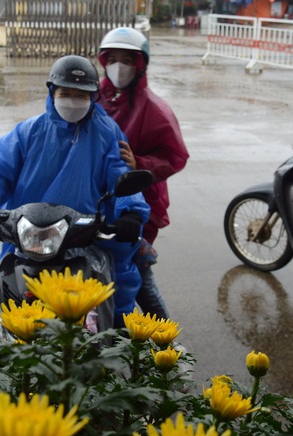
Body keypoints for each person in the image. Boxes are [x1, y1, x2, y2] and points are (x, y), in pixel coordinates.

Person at [0, 54, 150, 328]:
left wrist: (130, 212)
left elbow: (120, 174)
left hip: (87, 236)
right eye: (66, 93)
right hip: (29, 236)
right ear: (52, 91)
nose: (72, 101)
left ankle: (119, 343)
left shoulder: (108, 134)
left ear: (93, 97)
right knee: (6, 291)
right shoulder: (28, 132)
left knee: (119, 284)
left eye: (80, 94)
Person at [97, 27, 190, 320]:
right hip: (99, 198)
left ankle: (166, 341)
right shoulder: (95, 97)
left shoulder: (155, 109)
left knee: (136, 275)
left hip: (141, 205)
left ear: (140, 65)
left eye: (127, 59)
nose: (119, 66)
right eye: (113, 58)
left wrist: (140, 164)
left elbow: (176, 156)